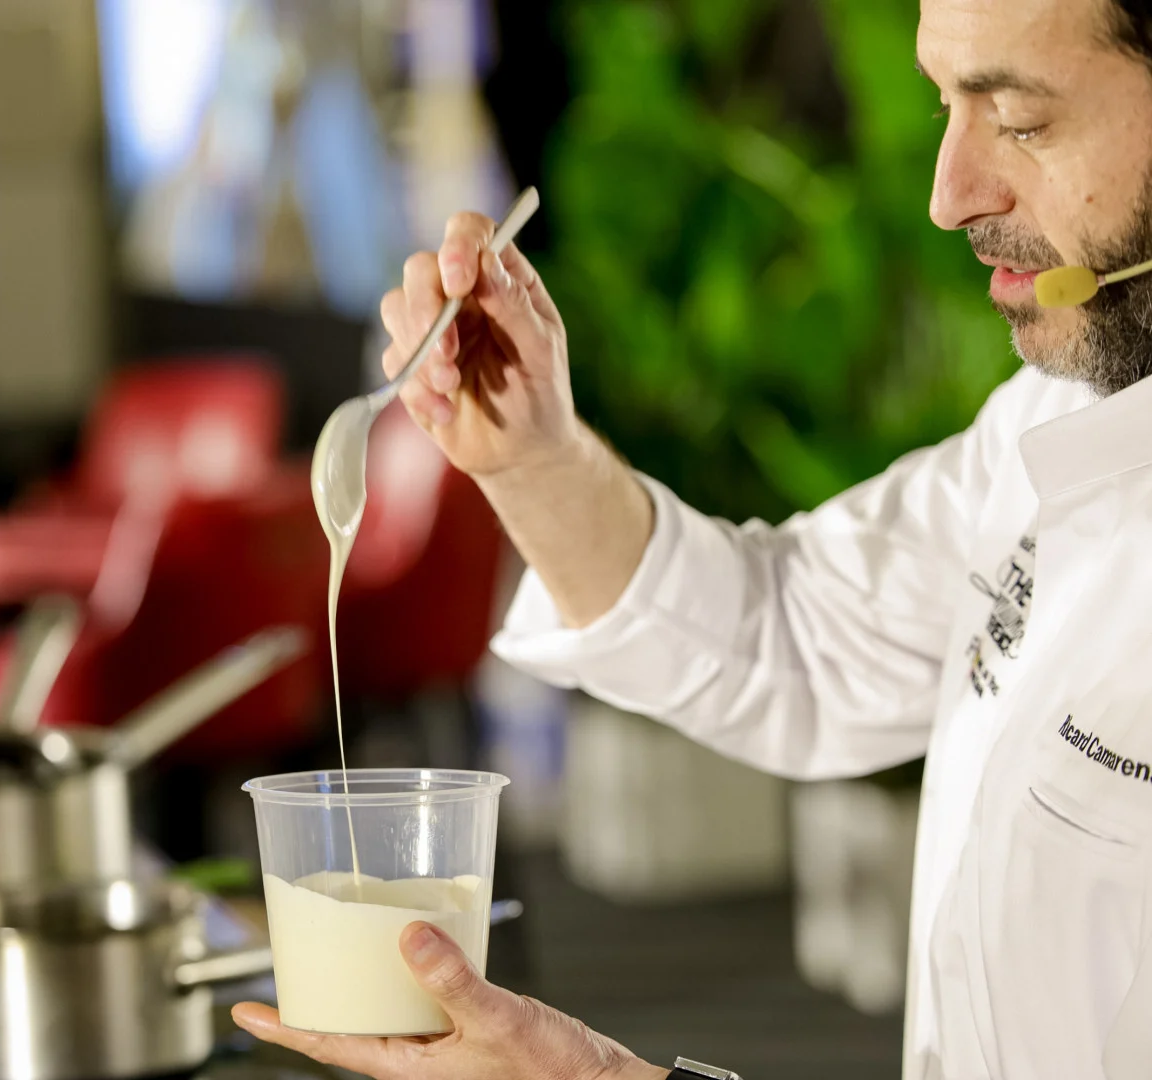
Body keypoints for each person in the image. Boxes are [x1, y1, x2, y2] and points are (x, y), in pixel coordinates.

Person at [233, 0, 1152, 1077]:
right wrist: (538, 459)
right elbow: (797, 636)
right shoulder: (1056, 421)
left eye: (1022, 121)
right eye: (946, 104)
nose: (950, 197)